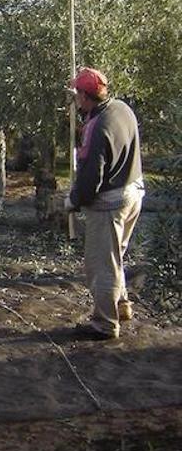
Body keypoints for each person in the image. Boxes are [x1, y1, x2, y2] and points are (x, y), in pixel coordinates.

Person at [64, 67, 145, 341]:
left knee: (101, 264)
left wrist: (73, 201)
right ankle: (121, 306)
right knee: (115, 256)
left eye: (77, 94)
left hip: (110, 202)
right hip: (133, 192)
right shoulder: (122, 109)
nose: (75, 98)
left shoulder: (96, 128)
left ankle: (105, 324)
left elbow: (91, 178)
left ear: (85, 96)